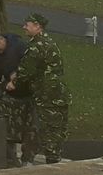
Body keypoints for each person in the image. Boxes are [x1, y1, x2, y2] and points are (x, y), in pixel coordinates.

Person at [6, 14, 69, 164]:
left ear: (37, 26)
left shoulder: (37, 46)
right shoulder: (49, 42)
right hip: (56, 92)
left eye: (27, 24)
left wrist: (13, 83)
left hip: (44, 94)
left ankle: (30, 160)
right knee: (55, 128)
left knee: (37, 128)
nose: (24, 27)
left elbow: (27, 71)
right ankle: (53, 159)